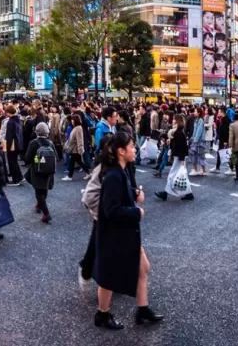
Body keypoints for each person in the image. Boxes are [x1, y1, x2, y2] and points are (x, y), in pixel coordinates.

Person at [93, 131, 163, 330]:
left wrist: (134, 193)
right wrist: (136, 212)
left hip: (124, 235)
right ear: (121, 151)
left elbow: (118, 197)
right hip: (115, 236)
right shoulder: (114, 175)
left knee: (143, 268)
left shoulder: (119, 171)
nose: (135, 149)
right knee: (109, 278)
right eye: (132, 146)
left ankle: (142, 309)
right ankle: (103, 315)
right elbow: (111, 209)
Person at [24, 122, 58, 223]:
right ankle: (39, 205)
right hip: (49, 170)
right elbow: (56, 157)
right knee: (44, 189)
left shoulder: (33, 143)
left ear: (37, 131)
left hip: (37, 170)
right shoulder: (50, 143)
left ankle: (46, 213)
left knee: (38, 192)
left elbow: (27, 158)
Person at [155, 114, 193, 201]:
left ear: (177, 121)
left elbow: (182, 146)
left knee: (172, 175)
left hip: (179, 157)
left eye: (174, 119)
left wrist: (182, 159)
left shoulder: (179, 133)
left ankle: (165, 193)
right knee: (182, 176)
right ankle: (189, 193)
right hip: (179, 157)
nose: (172, 120)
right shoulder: (177, 132)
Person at [62, 114, 90, 181]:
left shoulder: (78, 128)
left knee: (76, 162)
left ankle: (70, 176)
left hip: (76, 149)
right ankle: (87, 173)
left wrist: (80, 150)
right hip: (74, 149)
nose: (71, 121)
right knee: (78, 162)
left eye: (72, 120)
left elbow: (80, 140)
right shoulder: (77, 127)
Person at [3, 105, 24, 186]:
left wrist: (7, 146)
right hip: (18, 144)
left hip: (12, 145)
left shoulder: (10, 122)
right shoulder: (18, 120)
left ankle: (16, 180)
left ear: (8, 112)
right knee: (14, 161)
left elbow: (9, 136)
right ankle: (19, 177)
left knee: (12, 162)